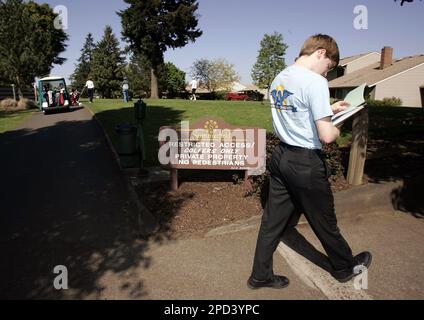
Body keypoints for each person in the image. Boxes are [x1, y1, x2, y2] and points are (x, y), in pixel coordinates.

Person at [247, 34, 372, 290]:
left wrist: (330, 108)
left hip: (281, 157)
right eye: (328, 67)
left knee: (271, 222)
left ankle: (260, 275)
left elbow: (297, 109)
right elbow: (327, 135)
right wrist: (339, 126)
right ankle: (344, 268)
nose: (326, 74)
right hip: (305, 162)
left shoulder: (280, 77)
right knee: (324, 220)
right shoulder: (315, 81)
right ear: (321, 53)